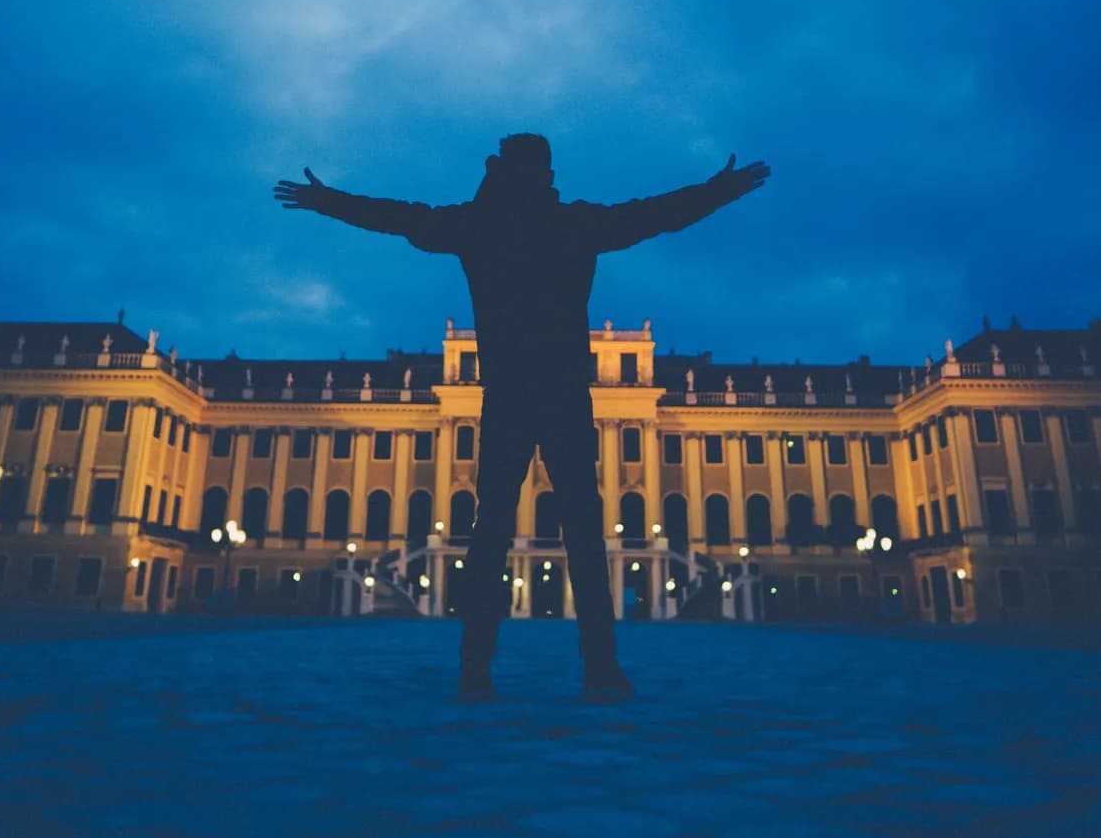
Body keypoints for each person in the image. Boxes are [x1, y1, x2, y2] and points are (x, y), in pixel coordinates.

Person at [274, 133, 770, 704]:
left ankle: (474, 668)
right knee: (584, 535)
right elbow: (656, 216)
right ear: (548, 172)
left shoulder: (477, 226)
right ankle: (601, 668)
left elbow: (397, 219)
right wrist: (718, 191)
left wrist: (328, 200)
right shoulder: (573, 224)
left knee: (489, 535)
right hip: (562, 393)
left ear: (502, 171)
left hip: (506, 393)